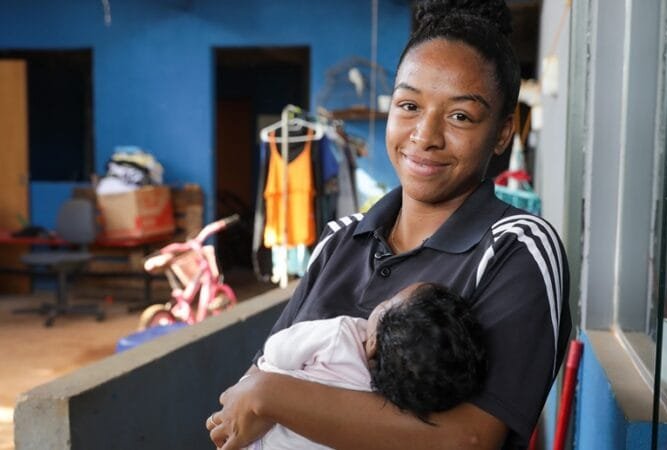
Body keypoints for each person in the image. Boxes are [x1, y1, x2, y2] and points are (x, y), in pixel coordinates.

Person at [207, 0, 572, 448]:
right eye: (409, 105)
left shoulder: (516, 248)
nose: (425, 136)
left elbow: (468, 439)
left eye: (460, 116)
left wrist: (274, 396)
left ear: (502, 132)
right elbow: (249, 393)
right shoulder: (340, 240)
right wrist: (261, 395)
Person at [246, 282, 487, 450]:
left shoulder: (340, 336)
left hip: (261, 436)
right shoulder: (390, 403)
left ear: (372, 344)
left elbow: (276, 349)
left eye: (386, 302)